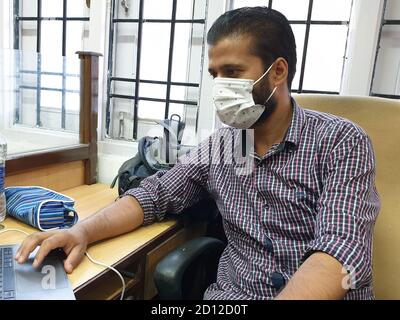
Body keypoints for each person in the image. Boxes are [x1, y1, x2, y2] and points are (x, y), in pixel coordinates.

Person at [15, 7, 380, 300]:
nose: (221, 85)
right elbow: (154, 194)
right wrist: (81, 232)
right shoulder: (223, 145)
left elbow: (339, 252)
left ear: (277, 71)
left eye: (233, 71)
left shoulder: (341, 142)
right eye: (215, 74)